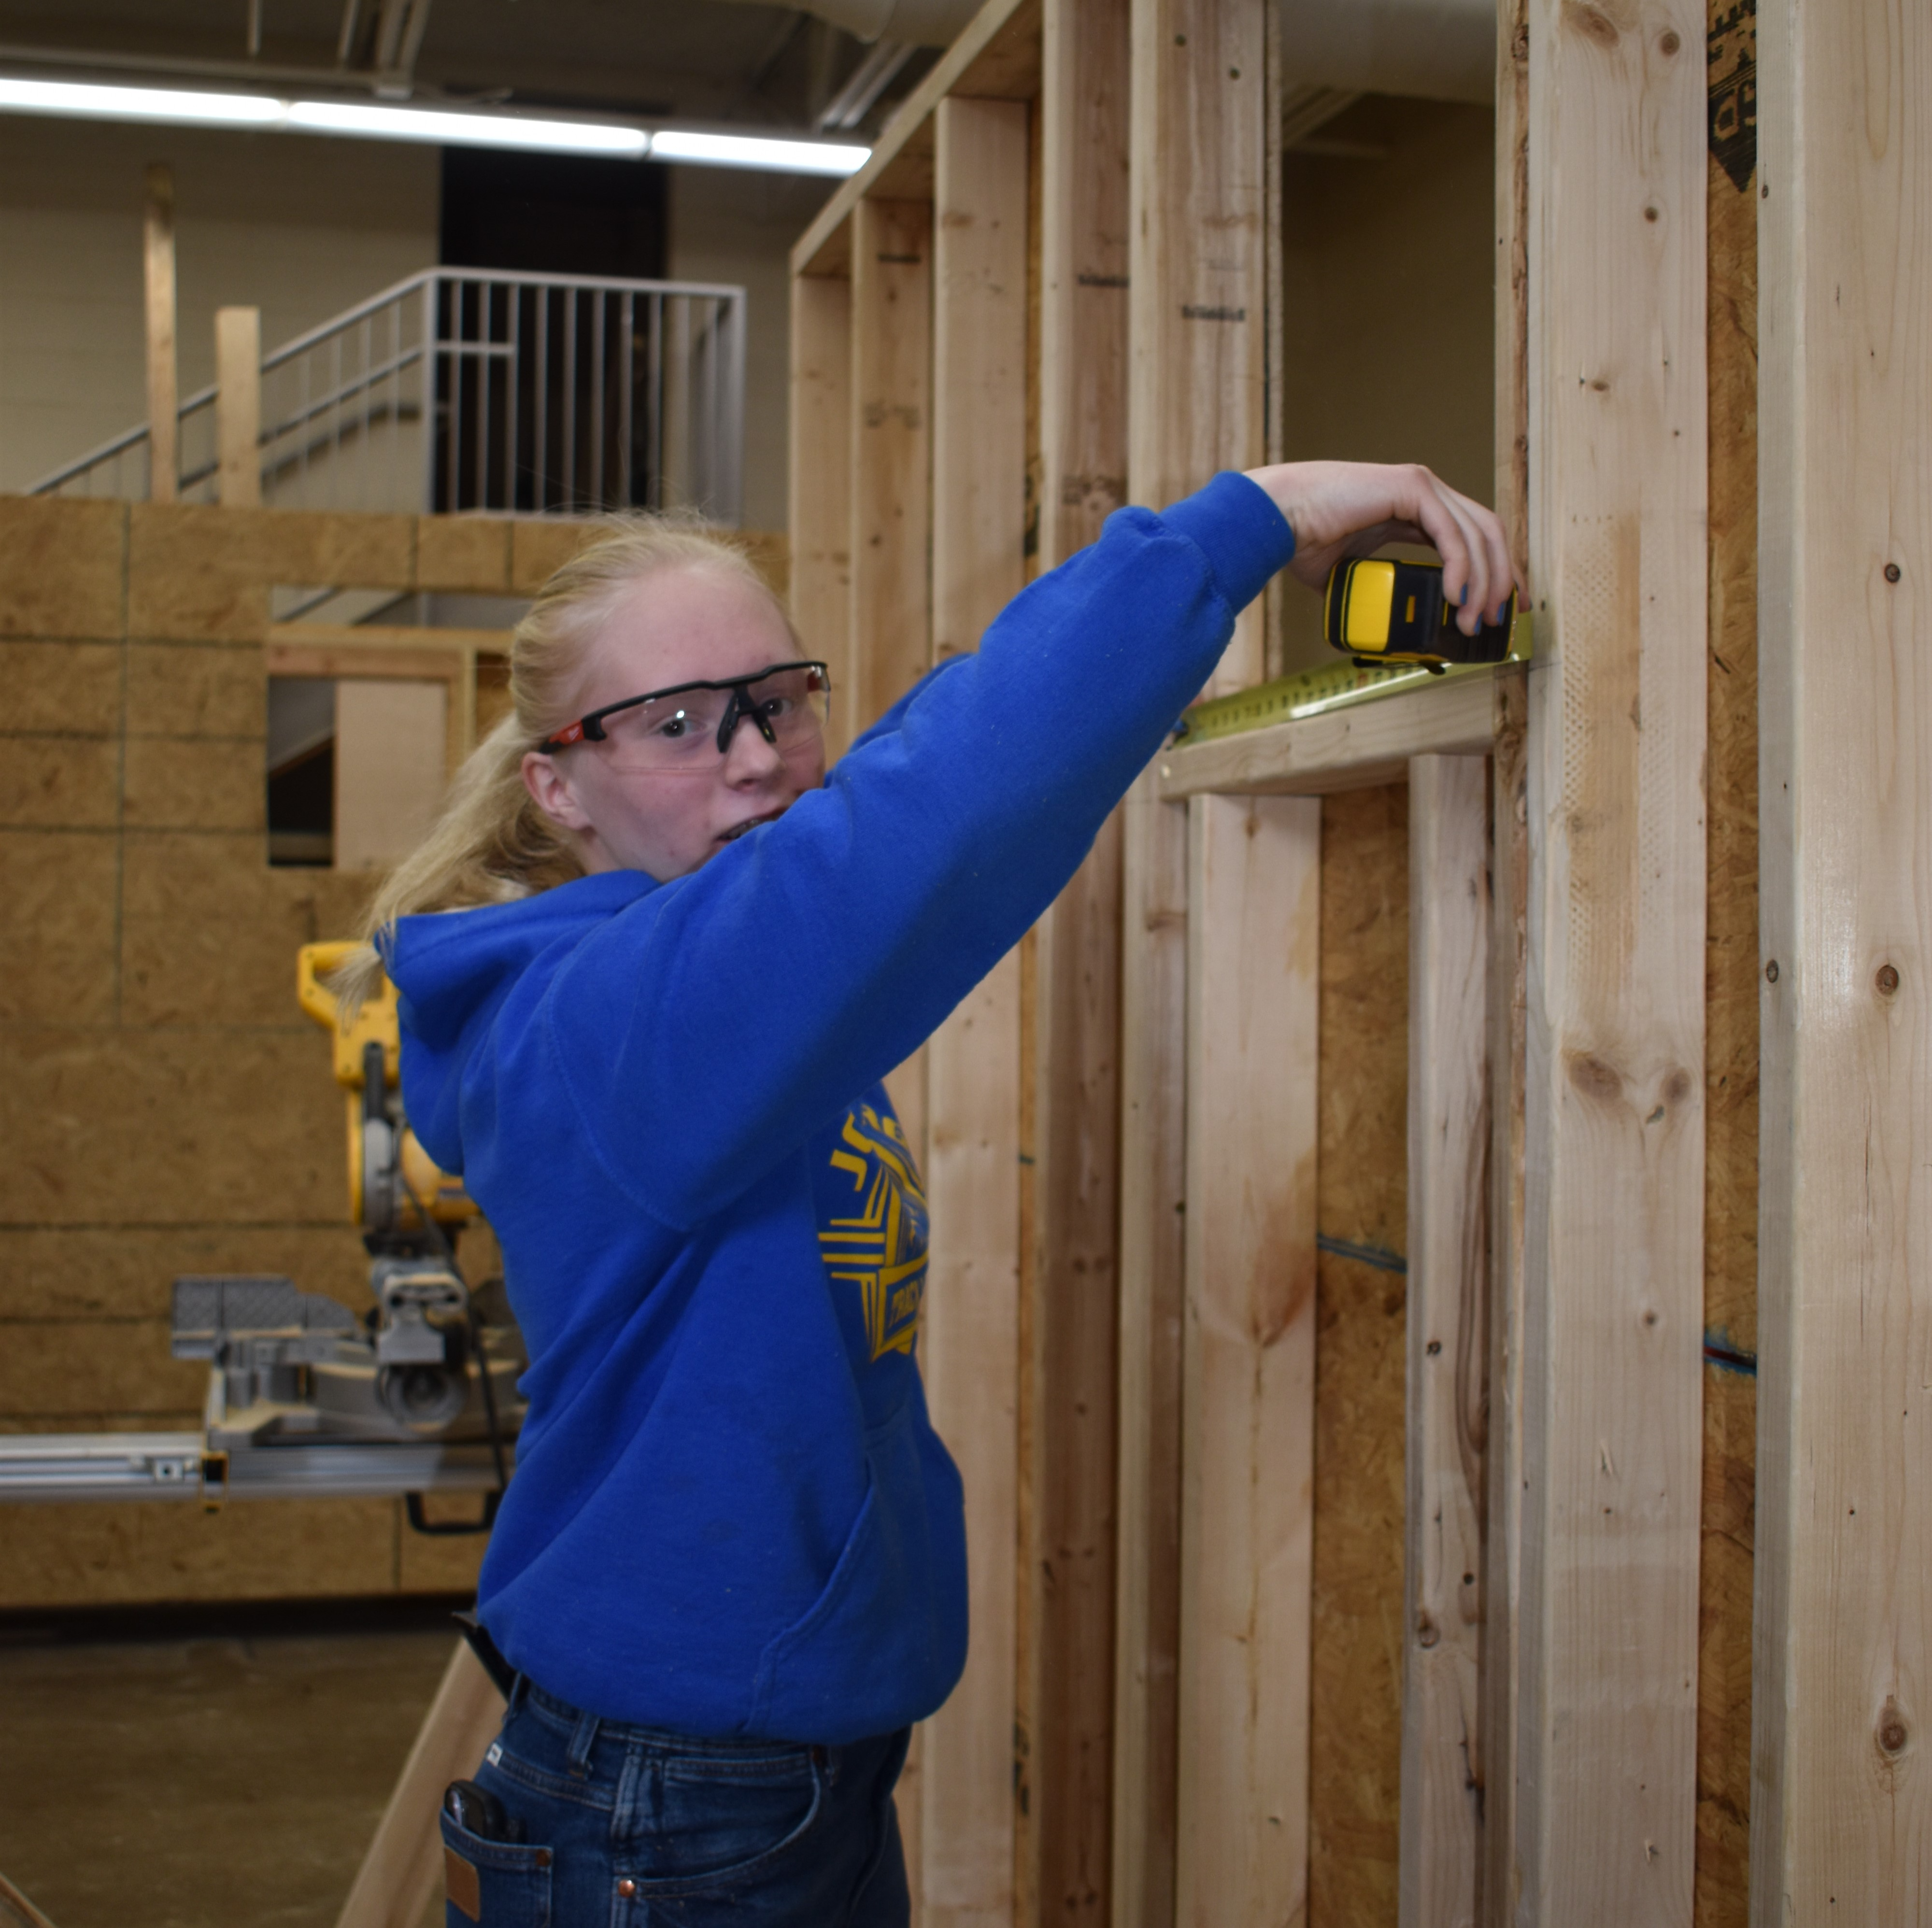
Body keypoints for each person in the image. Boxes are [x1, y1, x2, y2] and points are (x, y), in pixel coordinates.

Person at [338, 461, 1516, 1927]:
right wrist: (1247, 519)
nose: (756, 754)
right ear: (557, 788)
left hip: (773, 1774)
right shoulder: (607, 1026)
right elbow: (928, 808)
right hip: (674, 1802)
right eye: (678, 724)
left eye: (778, 697)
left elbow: (887, 797)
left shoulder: (707, 974)